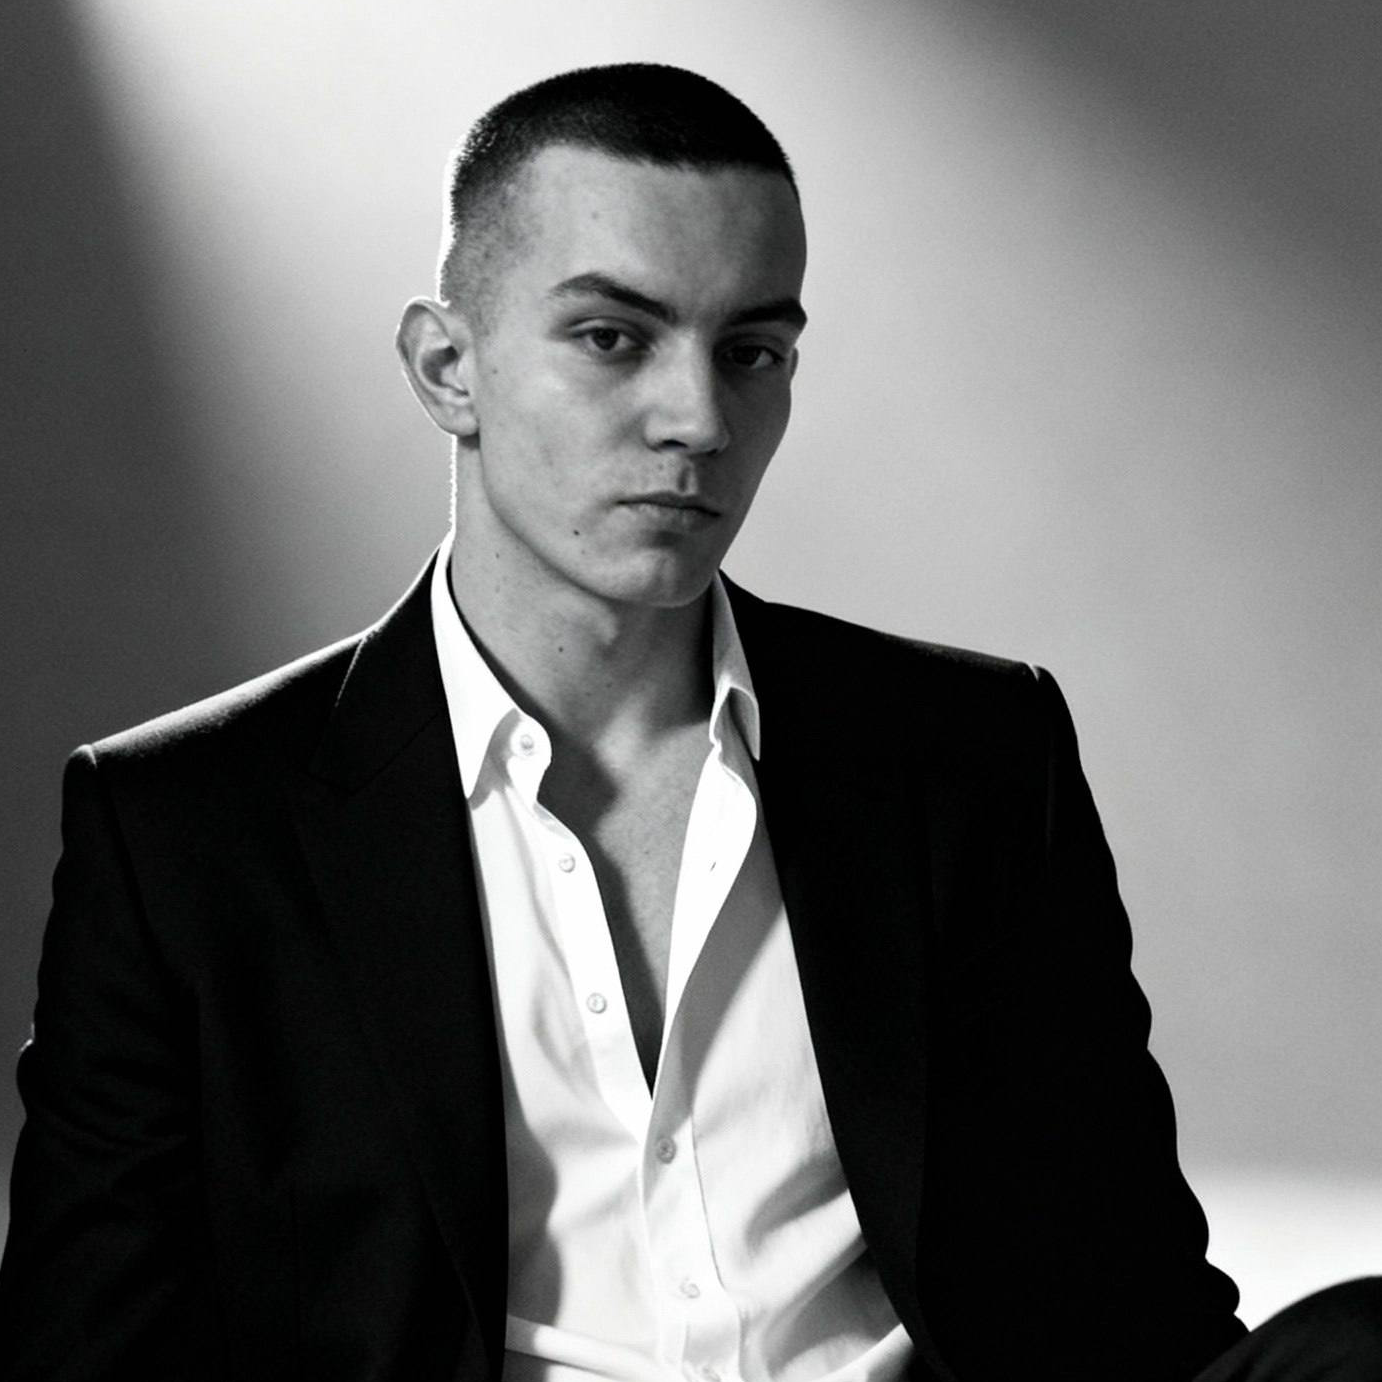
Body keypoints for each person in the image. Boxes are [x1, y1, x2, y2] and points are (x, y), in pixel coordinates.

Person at [0, 62, 1377, 1382]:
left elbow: (1129, 1289)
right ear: (446, 367)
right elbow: (89, 1352)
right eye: (613, 338)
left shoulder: (970, 756)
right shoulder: (186, 828)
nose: (699, 416)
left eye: (752, 350)